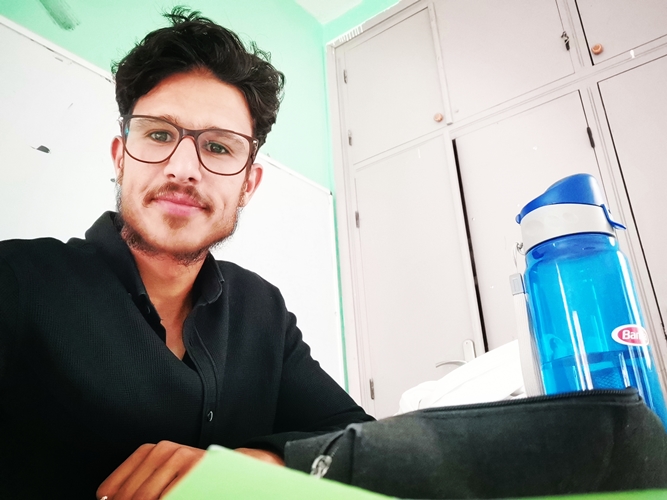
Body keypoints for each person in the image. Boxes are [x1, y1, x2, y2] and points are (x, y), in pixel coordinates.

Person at [0, 7, 373, 499]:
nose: (183, 168)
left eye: (218, 148)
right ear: (120, 159)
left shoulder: (264, 310)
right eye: (159, 134)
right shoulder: (17, 281)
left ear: (248, 184)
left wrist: (263, 462)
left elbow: (359, 440)